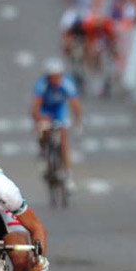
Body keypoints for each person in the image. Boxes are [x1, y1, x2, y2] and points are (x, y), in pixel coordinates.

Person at [30, 58, 82, 188]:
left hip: (58, 111)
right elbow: (34, 109)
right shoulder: (41, 85)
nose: (54, 80)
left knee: (63, 140)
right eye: (51, 77)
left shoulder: (67, 84)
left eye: (57, 77)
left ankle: (68, 174)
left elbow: (75, 106)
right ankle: (43, 151)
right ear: (47, 77)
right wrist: (39, 120)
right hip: (44, 110)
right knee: (42, 130)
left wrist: (77, 123)